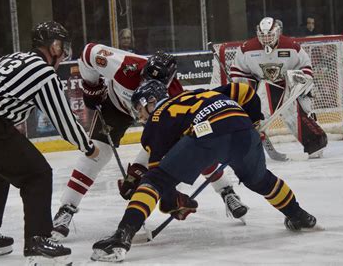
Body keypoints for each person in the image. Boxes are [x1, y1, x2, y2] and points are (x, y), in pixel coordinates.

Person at [90, 80, 318, 262]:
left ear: (151, 102)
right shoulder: (198, 92)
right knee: (261, 181)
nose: (140, 117)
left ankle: (123, 235)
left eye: (140, 110)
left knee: (154, 180)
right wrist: (255, 121)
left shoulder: (156, 119)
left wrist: (171, 203)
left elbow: (159, 176)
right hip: (243, 130)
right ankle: (300, 216)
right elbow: (244, 91)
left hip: (207, 132)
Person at [51, 44, 248, 240]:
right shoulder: (124, 67)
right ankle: (67, 207)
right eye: (145, 79)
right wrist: (91, 87)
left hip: (154, 118)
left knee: (195, 145)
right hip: (116, 106)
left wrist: (140, 174)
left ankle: (226, 190)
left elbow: (156, 147)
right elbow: (88, 53)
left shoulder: (175, 97)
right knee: (97, 153)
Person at [0, 21, 98, 265]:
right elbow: (64, 122)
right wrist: (87, 146)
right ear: (55, 46)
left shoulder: (9, 58)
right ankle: (37, 241)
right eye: (63, 48)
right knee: (37, 175)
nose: (63, 55)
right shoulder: (44, 72)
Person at [229, 16, 327, 157]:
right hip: (264, 86)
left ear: (277, 32)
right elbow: (238, 71)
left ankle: (315, 143)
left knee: (297, 114)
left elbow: (306, 66)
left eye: (269, 35)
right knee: (258, 113)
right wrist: (245, 89)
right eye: (263, 35)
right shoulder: (247, 49)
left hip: (289, 86)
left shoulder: (291, 46)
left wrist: (302, 81)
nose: (266, 39)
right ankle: (247, 144)